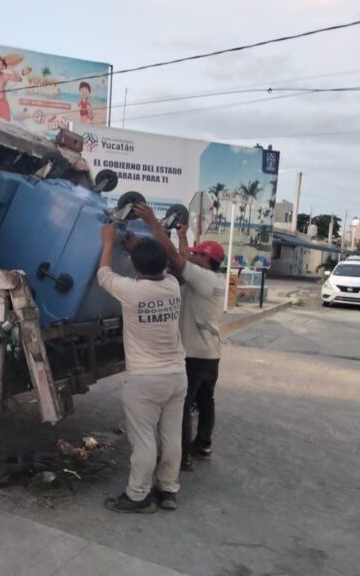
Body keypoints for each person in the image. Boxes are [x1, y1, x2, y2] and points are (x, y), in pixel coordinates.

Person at [97, 223, 187, 513]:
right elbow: (166, 266)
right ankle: (169, 490)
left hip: (145, 380)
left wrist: (109, 242)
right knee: (171, 436)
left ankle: (138, 496)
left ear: (135, 266)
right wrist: (139, 246)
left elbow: (103, 274)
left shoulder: (131, 291)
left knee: (144, 440)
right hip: (176, 375)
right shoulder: (173, 286)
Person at [135, 204, 225, 470]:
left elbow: (176, 258)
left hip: (194, 355)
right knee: (206, 401)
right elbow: (183, 254)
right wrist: (183, 234)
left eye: (197, 255)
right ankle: (204, 444)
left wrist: (153, 222)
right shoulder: (211, 278)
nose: (191, 256)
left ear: (207, 261)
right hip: (211, 354)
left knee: (182, 407)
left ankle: (183, 457)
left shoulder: (204, 278)